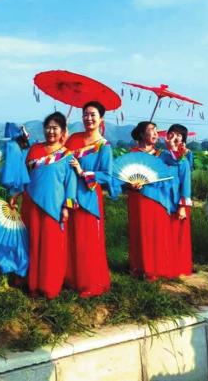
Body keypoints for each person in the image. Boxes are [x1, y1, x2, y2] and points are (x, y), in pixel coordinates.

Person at [11, 112, 77, 299]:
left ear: (63, 131)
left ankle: (49, 286)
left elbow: (70, 184)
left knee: (51, 247)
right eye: (48, 127)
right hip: (31, 204)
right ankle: (31, 283)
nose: (51, 131)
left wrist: (66, 207)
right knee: (31, 242)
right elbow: (23, 174)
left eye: (55, 128)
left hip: (54, 207)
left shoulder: (67, 155)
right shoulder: (34, 150)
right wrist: (15, 194)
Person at [64, 101, 115, 298]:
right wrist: (62, 140)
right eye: (85, 114)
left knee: (88, 240)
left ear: (101, 119)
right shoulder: (74, 138)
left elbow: (107, 176)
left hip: (89, 197)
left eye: (93, 114)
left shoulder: (104, 147)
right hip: (70, 194)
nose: (89, 118)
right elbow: (62, 160)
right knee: (70, 236)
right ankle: (71, 278)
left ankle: (91, 283)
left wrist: (82, 171)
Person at [125, 121, 177, 280]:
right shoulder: (132, 154)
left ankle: (158, 267)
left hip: (159, 198)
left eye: (156, 130)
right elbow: (122, 175)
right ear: (142, 134)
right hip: (138, 198)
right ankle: (139, 267)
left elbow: (177, 162)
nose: (155, 133)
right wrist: (130, 184)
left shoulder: (163, 154)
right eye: (151, 130)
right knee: (140, 231)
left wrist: (172, 147)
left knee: (158, 232)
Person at [160, 123, 193, 277]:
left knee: (177, 236)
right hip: (162, 199)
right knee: (164, 235)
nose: (175, 137)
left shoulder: (183, 159)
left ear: (183, 139)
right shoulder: (161, 155)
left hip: (177, 201)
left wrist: (182, 206)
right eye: (172, 133)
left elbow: (186, 183)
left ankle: (178, 267)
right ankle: (164, 265)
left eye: (179, 135)